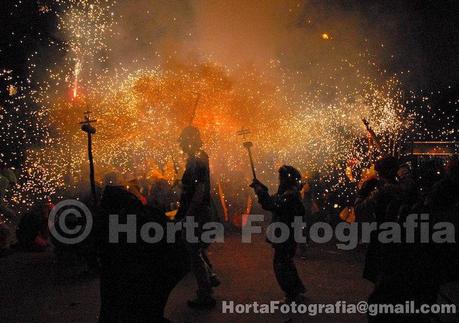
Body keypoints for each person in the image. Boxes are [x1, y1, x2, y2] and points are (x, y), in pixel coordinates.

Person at [175, 126, 219, 309]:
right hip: (197, 210)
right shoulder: (198, 157)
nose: (182, 145)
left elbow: (199, 191)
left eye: (184, 141)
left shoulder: (198, 159)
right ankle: (210, 278)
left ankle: (205, 293)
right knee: (196, 248)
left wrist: (189, 214)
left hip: (197, 211)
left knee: (193, 250)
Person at [250, 165, 306, 303]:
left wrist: (260, 192)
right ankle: (296, 290)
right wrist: (262, 188)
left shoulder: (290, 195)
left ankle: (292, 295)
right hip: (286, 235)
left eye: (281, 177)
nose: (279, 180)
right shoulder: (288, 193)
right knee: (286, 262)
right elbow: (272, 200)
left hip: (285, 236)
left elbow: (271, 204)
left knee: (281, 265)